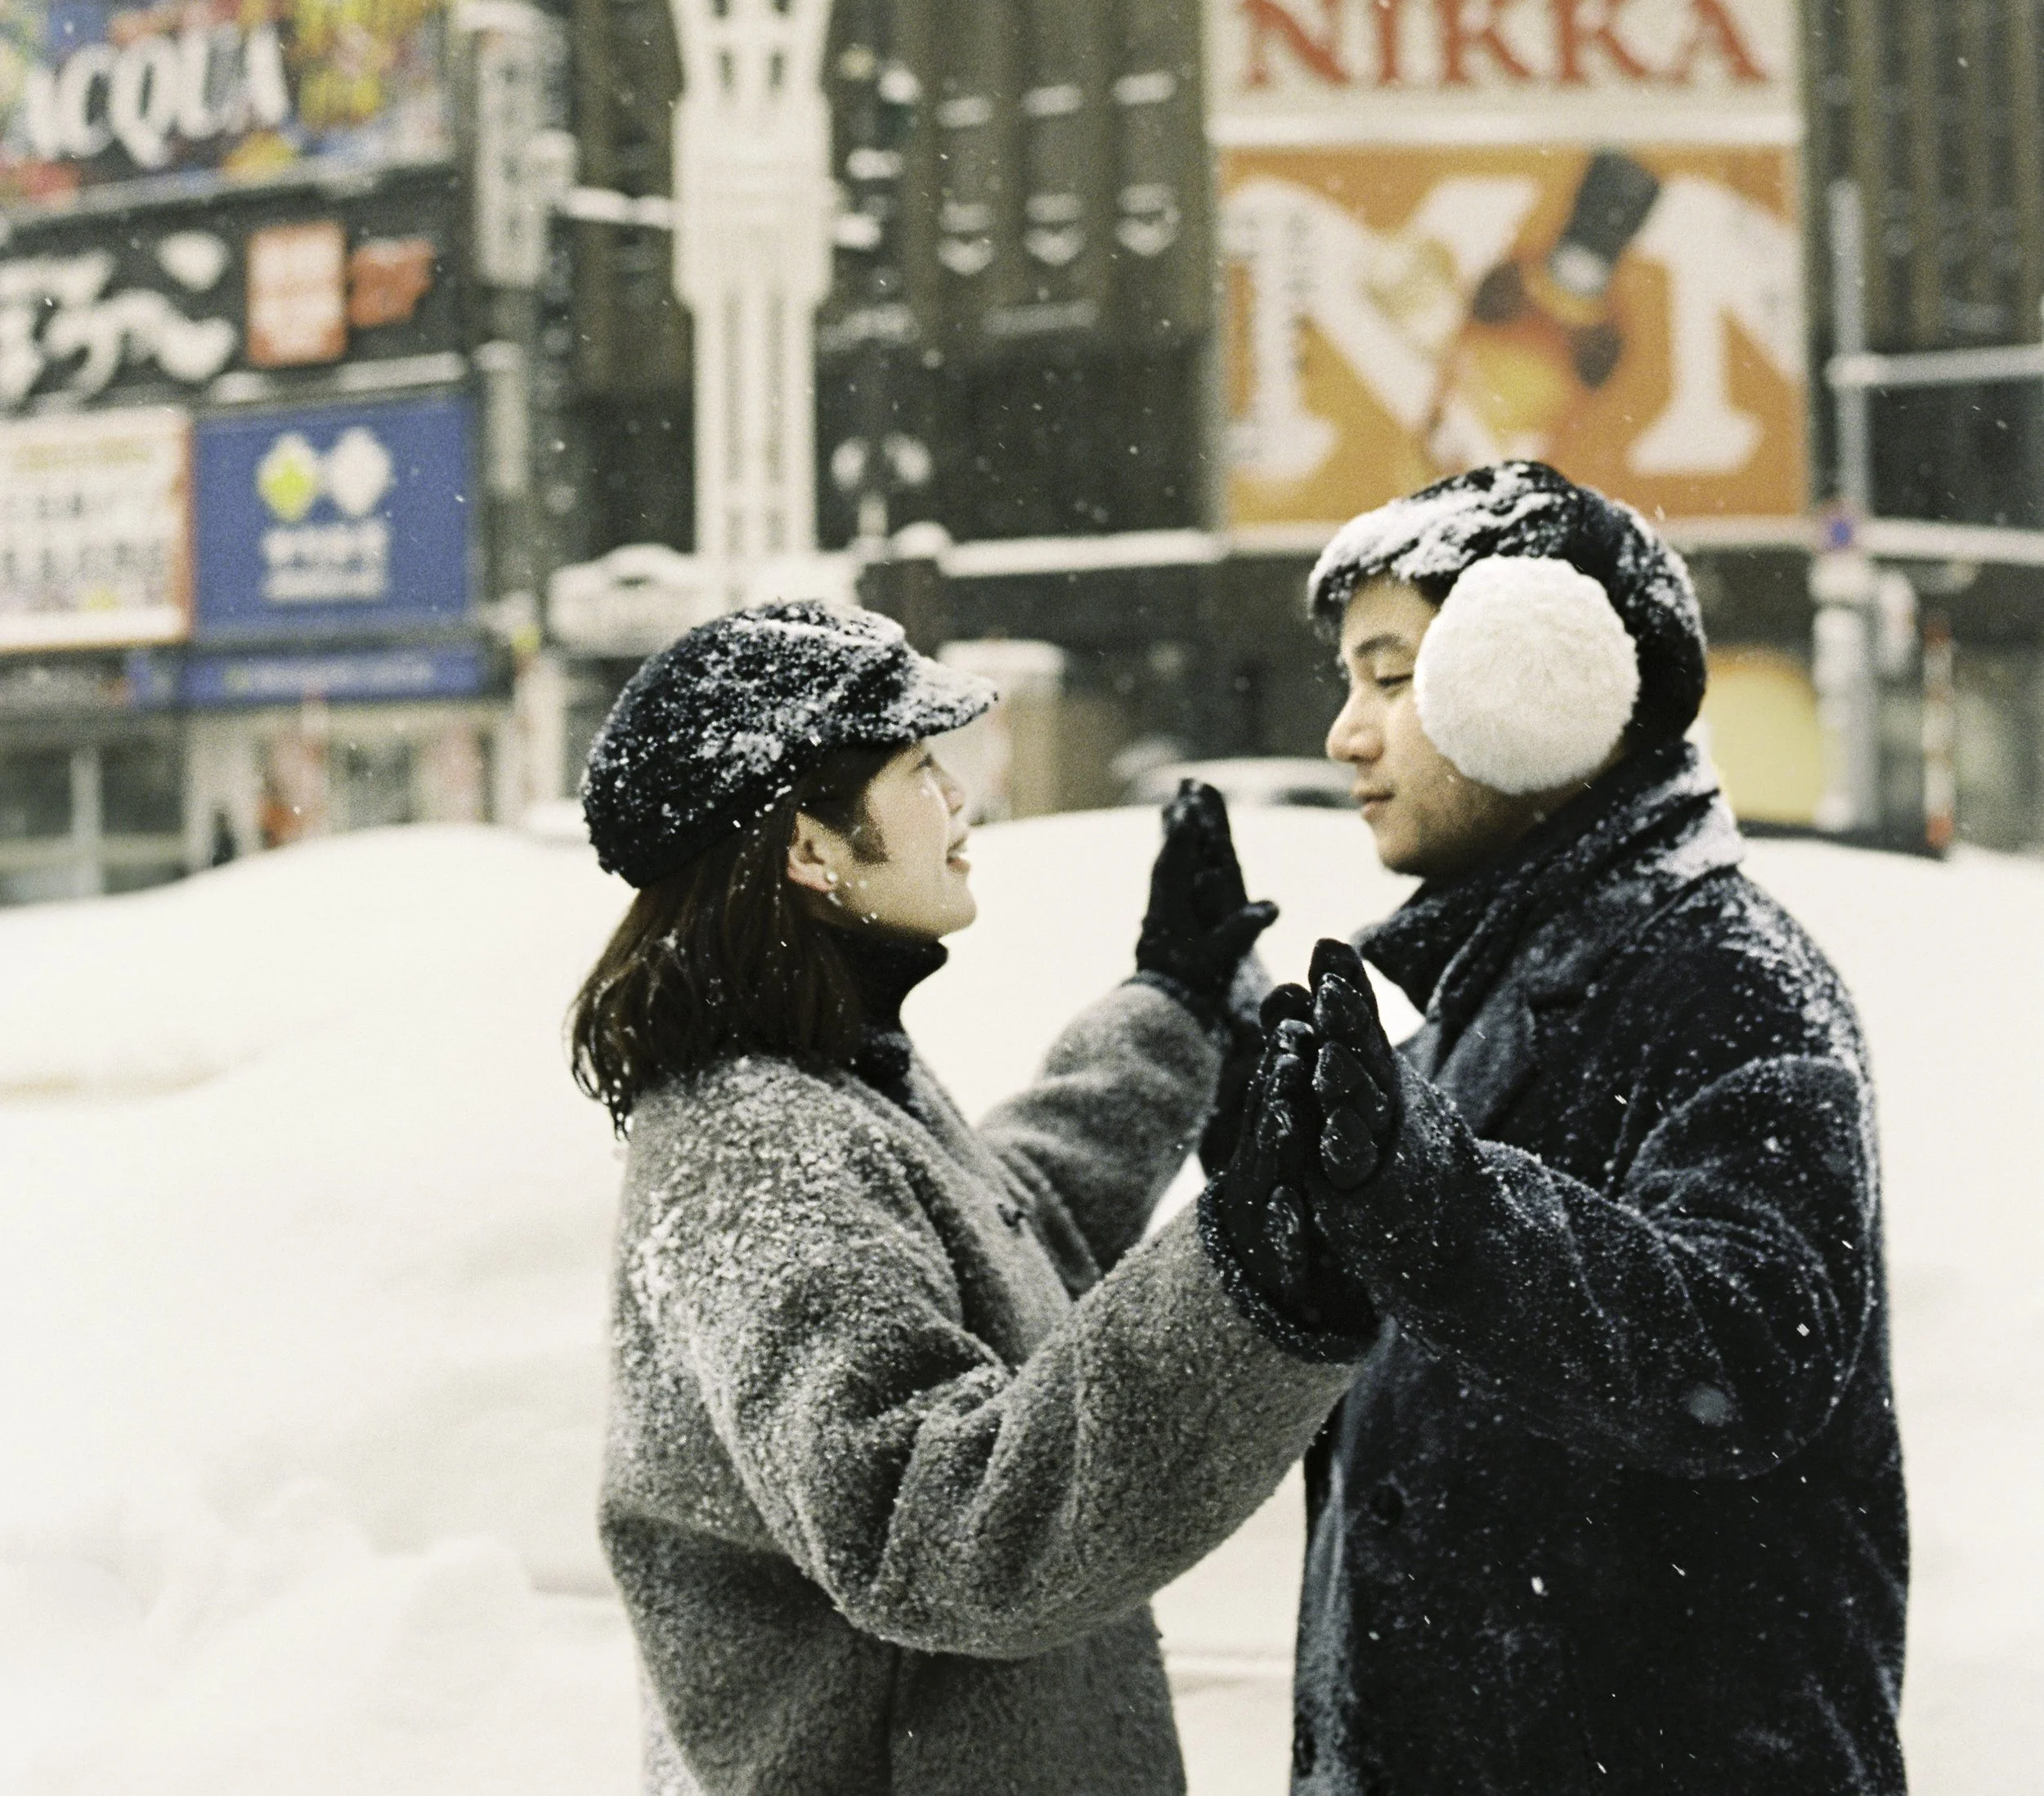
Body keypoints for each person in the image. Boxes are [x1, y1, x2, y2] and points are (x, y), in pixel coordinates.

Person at [567, 595, 1358, 1796]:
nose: (960, 801)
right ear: (809, 848)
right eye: (919, 769)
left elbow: (1002, 1234)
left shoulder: (823, 1082)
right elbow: (936, 1526)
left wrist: (1174, 1005)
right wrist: (1255, 1277)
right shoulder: (756, 1142)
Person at [1197, 462, 1907, 1795]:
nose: (1347, 736)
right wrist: (1233, 1077)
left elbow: (1746, 1350)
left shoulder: (1727, 977)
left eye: (1392, 678)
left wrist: (1428, 1203)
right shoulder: (1492, 1000)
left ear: (1543, 683)